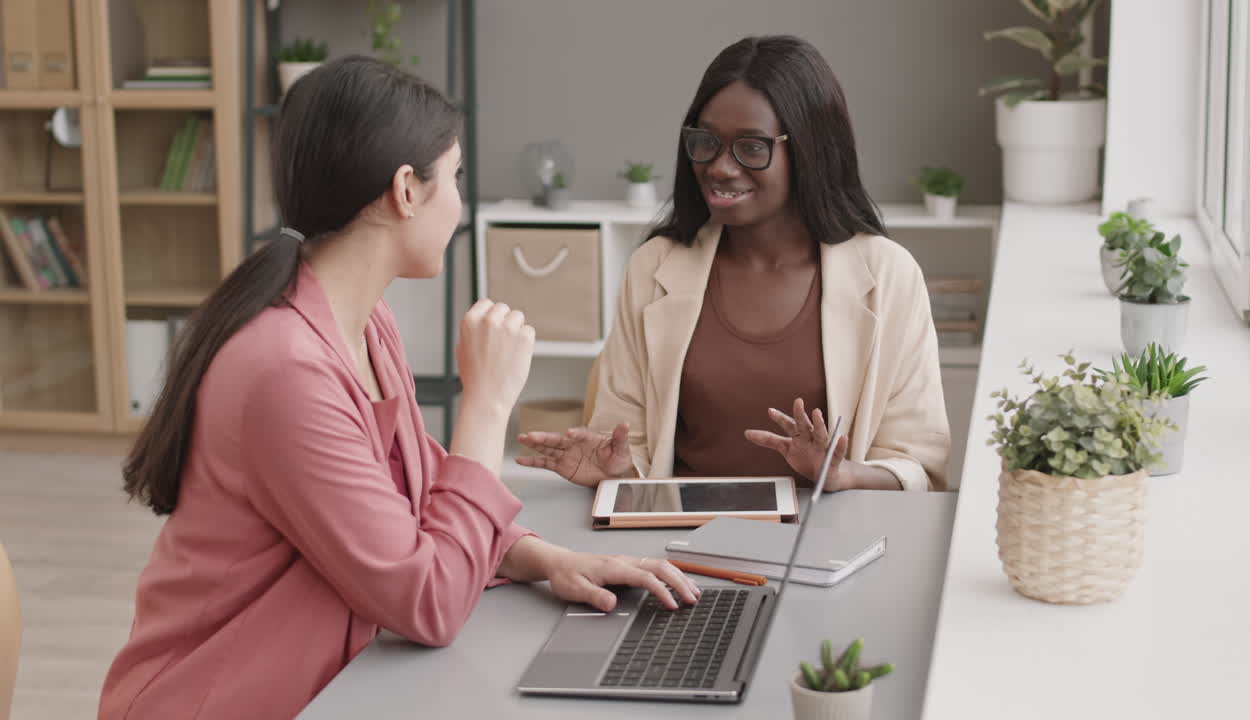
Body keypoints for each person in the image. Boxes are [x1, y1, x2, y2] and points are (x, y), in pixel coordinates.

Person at [98, 56, 698, 720]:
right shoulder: (283, 370)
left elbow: (410, 496)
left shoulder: (361, 320)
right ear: (406, 189)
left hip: (332, 686)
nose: (460, 204)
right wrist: (487, 402)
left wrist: (548, 560)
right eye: (456, 177)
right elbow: (429, 602)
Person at [518, 35, 950, 492]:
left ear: (809, 149)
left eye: (751, 147)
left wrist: (840, 474)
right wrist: (615, 470)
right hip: (679, 543)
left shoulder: (889, 275)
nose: (720, 167)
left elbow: (918, 465)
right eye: (706, 141)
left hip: (822, 545)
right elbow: (632, 446)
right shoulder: (654, 267)